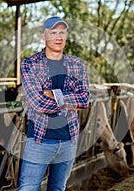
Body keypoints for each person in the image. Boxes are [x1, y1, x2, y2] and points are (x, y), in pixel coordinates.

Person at [18, 16, 90, 191]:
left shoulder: (77, 65)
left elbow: (84, 100)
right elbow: (38, 103)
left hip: (69, 140)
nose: (58, 37)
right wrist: (70, 101)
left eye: (62, 32)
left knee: (58, 188)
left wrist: (55, 95)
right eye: (53, 33)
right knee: (28, 188)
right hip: (40, 140)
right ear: (44, 36)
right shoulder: (30, 64)